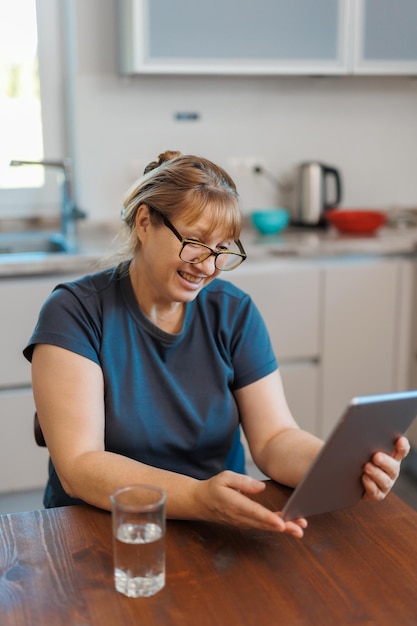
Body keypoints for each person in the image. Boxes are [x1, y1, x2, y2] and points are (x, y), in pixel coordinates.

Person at [24, 151, 409, 539]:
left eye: (223, 249)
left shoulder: (233, 312)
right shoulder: (74, 312)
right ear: (145, 222)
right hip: (101, 529)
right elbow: (80, 465)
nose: (208, 266)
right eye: (195, 241)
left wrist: (339, 465)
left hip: (215, 526)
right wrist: (198, 496)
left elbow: (275, 438)